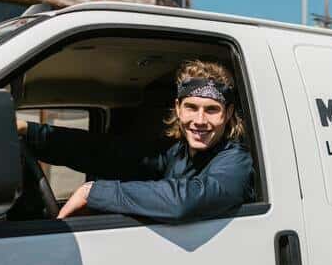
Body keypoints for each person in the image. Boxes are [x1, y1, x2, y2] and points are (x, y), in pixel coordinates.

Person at [16, 60, 254, 222]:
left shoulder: (236, 160)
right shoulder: (177, 152)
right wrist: (32, 132)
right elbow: (106, 153)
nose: (200, 120)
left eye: (212, 110)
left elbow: (187, 199)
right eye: (191, 107)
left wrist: (95, 192)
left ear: (229, 113)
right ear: (178, 109)